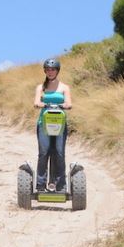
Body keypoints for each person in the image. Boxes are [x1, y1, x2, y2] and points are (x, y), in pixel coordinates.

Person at [33, 58, 73, 192]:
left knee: (59, 152)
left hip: (59, 124)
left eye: (53, 69)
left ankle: (60, 184)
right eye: (48, 70)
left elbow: (69, 103)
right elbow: (36, 103)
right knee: (44, 153)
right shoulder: (41, 87)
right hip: (43, 123)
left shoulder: (64, 87)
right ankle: (40, 184)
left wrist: (64, 106)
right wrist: (44, 104)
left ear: (57, 71)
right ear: (45, 71)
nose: (50, 72)